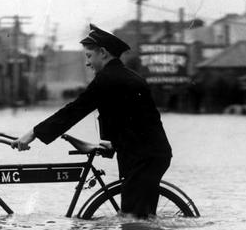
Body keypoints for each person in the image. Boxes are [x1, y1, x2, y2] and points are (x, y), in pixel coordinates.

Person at [12, 24, 172, 218]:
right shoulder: (126, 76)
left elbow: (75, 110)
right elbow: (135, 119)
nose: (87, 63)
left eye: (89, 56)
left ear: (103, 53)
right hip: (146, 154)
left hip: (143, 157)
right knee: (142, 220)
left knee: (132, 220)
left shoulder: (108, 78)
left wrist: (33, 133)